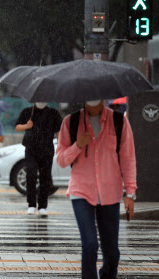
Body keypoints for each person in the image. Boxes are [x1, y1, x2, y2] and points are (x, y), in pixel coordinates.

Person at [56, 100, 136, 279]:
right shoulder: (71, 122)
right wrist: (78, 145)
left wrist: (130, 193)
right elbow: (61, 160)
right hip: (81, 192)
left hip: (110, 192)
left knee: (112, 252)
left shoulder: (119, 121)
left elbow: (128, 158)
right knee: (90, 244)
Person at [15, 102, 62, 216]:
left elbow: (58, 130)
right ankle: (31, 205)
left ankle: (42, 206)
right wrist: (27, 126)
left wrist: (60, 145)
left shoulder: (53, 113)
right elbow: (17, 127)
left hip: (47, 150)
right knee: (30, 175)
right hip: (31, 149)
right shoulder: (27, 112)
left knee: (45, 177)